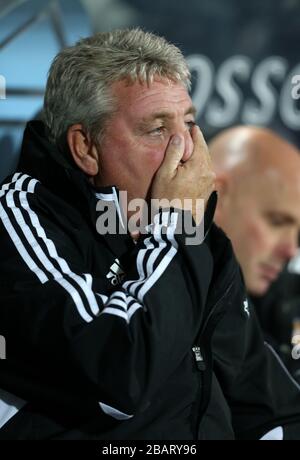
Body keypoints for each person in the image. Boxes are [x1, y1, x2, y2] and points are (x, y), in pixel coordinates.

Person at [1, 28, 300, 441]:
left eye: (190, 124)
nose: (186, 150)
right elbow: (120, 376)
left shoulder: (201, 241)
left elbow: (270, 410)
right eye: (157, 130)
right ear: (86, 148)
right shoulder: (20, 219)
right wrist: (174, 223)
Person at [210, 126, 300, 377]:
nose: (291, 250)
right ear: (217, 196)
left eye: (298, 233)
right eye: (277, 221)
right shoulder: (161, 302)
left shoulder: (284, 308)